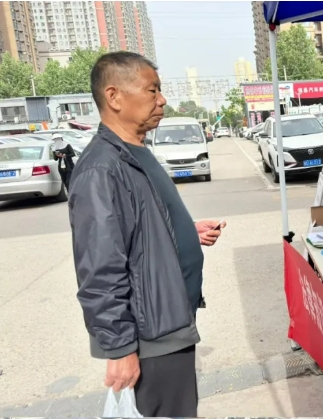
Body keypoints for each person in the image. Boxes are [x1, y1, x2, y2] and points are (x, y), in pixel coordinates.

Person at [68, 51, 227, 417]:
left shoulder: (135, 151)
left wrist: (184, 233)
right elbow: (100, 268)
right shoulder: (102, 168)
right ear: (114, 97)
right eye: (152, 90)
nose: (162, 99)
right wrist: (120, 348)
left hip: (171, 319)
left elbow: (140, 225)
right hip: (149, 337)